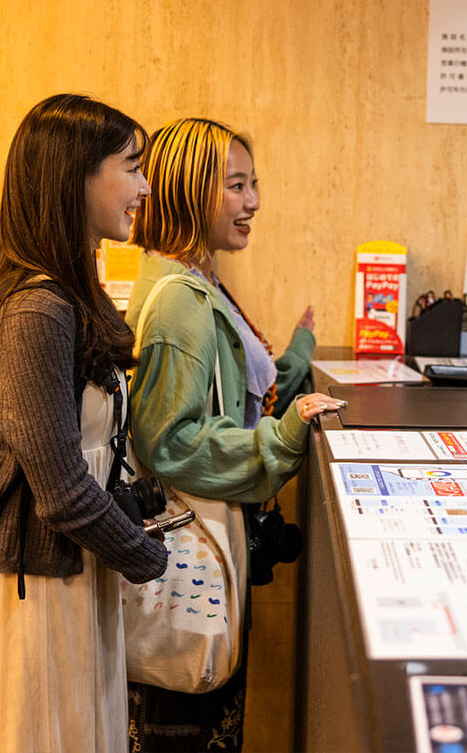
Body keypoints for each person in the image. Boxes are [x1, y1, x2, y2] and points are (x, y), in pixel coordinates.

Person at [0, 94, 168, 753]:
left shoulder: (66, 298)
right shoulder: (36, 313)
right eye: (132, 166)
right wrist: (148, 558)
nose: (144, 186)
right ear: (74, 179)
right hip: (32, 599)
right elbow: (61, 491)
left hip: (70, 582)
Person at [126, 116, 345, 751]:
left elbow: (235, 386)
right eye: (237, 185)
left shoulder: (196, 280)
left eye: (254, 185)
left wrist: (297, 361)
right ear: (194, 190)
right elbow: (170, 443)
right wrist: (280, 439)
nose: (253, 203)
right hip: (191, 562)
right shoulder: (179, 301)